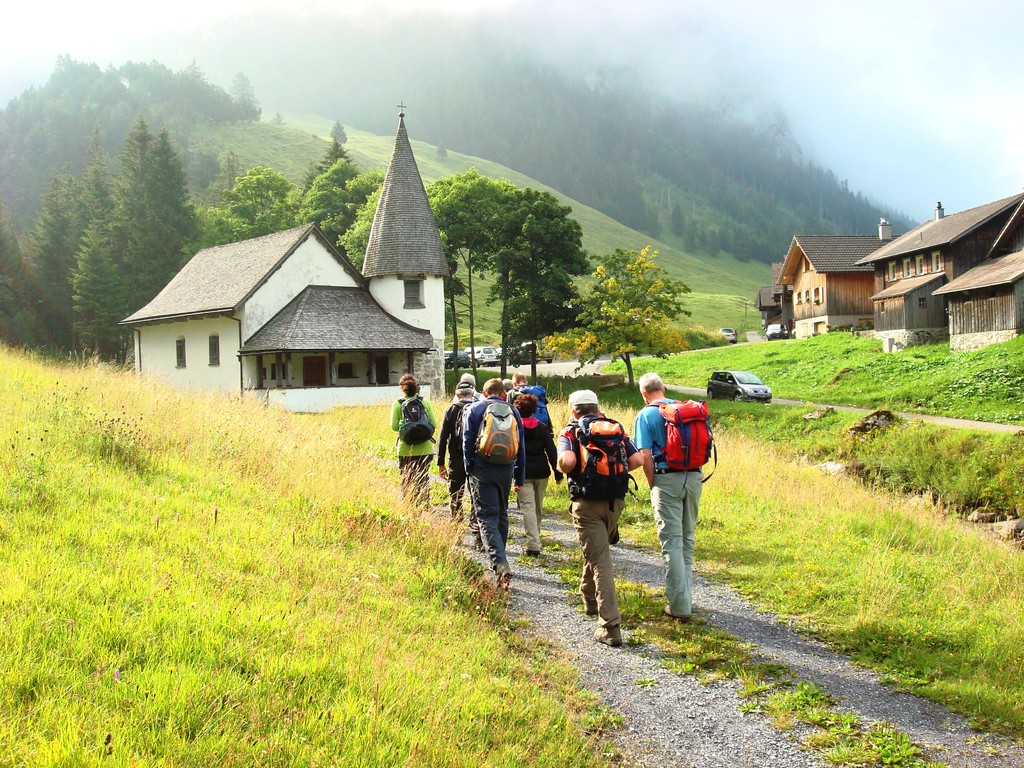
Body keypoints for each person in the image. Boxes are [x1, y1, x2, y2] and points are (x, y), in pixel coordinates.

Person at [558, 389, 643, 647]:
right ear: (597, 407)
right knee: (596, 551)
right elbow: (637, 459)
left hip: (587, 504)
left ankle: (610, 626)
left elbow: (568, 460)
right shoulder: (615, 429)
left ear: (574, 410)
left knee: (601, 560)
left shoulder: (571, 431)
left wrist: (563, 466)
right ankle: (589, 597)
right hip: (615, 502)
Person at [632, 371, 702, 623]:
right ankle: (686, 596)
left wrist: (653, 484)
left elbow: (645, 456)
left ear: (644, 393)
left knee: (671, 540)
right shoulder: (686, 409)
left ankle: (680, 606)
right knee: (687, 537)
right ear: (663, 388)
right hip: (694, 477)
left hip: (666, 478)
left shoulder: (646, 414)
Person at [463, 378, 526, 589]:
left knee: (486, 516)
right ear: (502, 393)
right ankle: (501, 557)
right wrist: (520, 475)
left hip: (482, 469)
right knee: (501, 513)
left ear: (484, 391)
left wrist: (469, 468)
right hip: (506, 468)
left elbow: (467, 441)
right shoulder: (513, 412)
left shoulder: (475, 409)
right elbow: (520, 445)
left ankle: (500, 564)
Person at [512, 392, 562, 556]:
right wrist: (558, 472)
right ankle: (535, 539)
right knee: (537, 508)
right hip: (542, 472)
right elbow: (551, 451)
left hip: (523, 472)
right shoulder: (541, 427)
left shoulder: (515, 428)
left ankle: (533, 543)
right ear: (534, 409)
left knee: (528, 507)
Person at [390, 373, 437, 511]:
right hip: (425, 448)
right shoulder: (424, 402)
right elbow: (433, 423)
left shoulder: (397, 404)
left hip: (405, 449)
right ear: (416, 387)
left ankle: (409, 506)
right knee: (423, 478)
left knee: (407, 478)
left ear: (402, 388)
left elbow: (393, 427)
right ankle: (425, 506)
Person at [437, 380, 476, 520]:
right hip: (475, 458)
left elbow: (442, 438)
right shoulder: (479, 408)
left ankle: (456, 521)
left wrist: (440, 463)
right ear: (472, 393)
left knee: (455, 493)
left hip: (456, 458)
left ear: (457, 395)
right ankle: (475, 523)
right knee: (475, 493)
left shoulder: (451, 410)